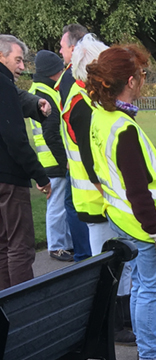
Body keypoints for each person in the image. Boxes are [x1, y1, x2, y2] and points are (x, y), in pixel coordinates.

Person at [85, 44, 156, 360]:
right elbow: (139, 191)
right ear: (131, 81)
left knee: (143, 286)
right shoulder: (124, 129)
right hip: (141, 225)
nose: (143, 80)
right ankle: (150, 354)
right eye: (142, 75)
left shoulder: (102, 116)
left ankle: (150, 343)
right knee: (151, 289)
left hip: (122, 219)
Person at [69, 34, 136, 345]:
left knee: (114, 262)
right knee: (108, 265)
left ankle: (120, 320)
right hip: (97, 201)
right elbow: (91, 158)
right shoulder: (82, 105)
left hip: (98, 199)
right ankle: (112, 324)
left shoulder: (85, 100)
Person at [0, 35, 51, 290]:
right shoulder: (2, 83)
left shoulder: (6, 84)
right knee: (20, 246)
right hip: (9, 177)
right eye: (18, 60)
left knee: (2, 247)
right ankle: (24, 309)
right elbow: (14, 138)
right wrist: (39, 175)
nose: (22, 66)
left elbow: (16, 96)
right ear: (1, 56)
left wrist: (34, 103)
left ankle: (7, 307)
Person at [28, 50, 73, 261]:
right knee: (57, 206)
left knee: (59, 204)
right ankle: (57, 247)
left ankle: (63, 243)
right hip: (54, 160)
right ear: (53, 72)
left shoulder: (40, 90)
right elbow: (51, 133)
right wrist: (65, 161)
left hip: (49, 158)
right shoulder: (45, 94)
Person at [56, 22, 92, 262]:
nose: (60, 51)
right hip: (81, 157)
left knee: (75, 206)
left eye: (62, 46)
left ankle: (83, 256)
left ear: (73, 47)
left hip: (79, 160)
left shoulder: (72, 76)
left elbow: (75, 121)